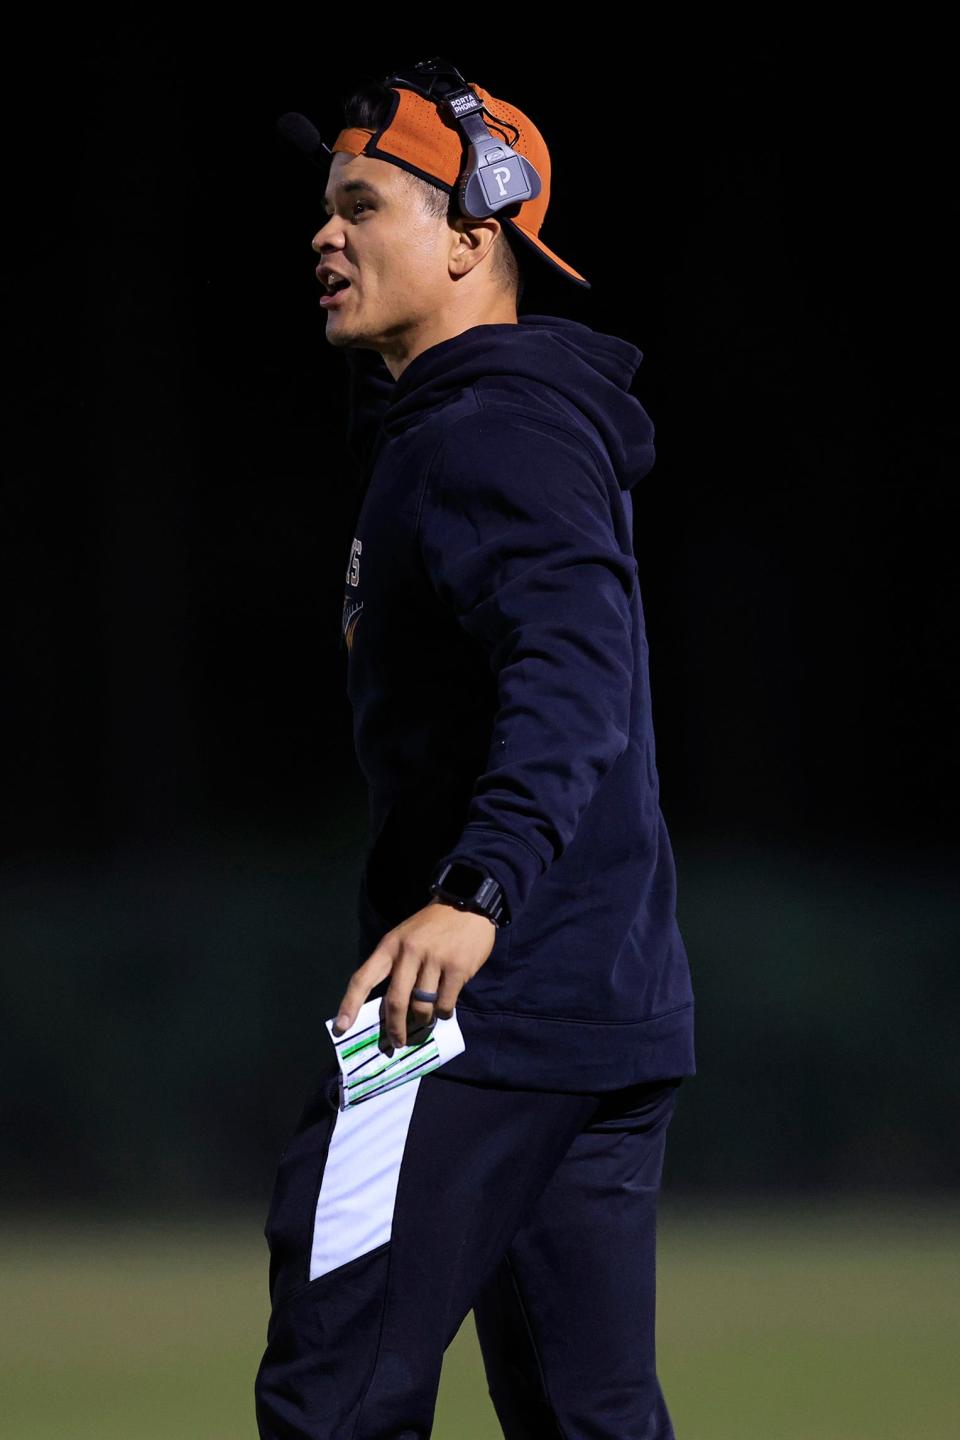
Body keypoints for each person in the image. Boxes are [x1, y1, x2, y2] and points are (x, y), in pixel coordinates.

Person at [256, 59, 696, 1439]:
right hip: (600, 1000)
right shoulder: (478, 427)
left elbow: (577, 674)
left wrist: (478, 888)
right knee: (588, 1416)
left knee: (335, 1389)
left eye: (362, 204)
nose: (324, 235)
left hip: (461, 1016)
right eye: (323, 208)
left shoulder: (490, 429)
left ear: (471, 234)